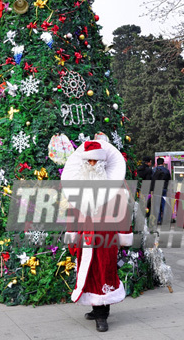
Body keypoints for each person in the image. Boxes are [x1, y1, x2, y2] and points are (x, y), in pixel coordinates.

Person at [61, 140, 132, 333]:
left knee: (104, 272)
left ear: (102, 163)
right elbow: (73, 212)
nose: (92, 165)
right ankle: (96, 307)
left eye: (96, 162)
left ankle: (102, 315)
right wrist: (72, 234)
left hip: (106, 237)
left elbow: (123, 213)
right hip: (85, 237)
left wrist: (124, 236)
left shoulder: (116, 185)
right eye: (89, 161)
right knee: (90, 273)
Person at [150, 157, 171, 224]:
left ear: (157, 163)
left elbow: (152, 180)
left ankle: (158, 220)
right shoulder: (166, 170)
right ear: (163, 163)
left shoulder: (154, 170)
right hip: (164, 189)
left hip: (156, 189)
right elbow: (169, 180)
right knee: (164, 204)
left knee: (156, 205)